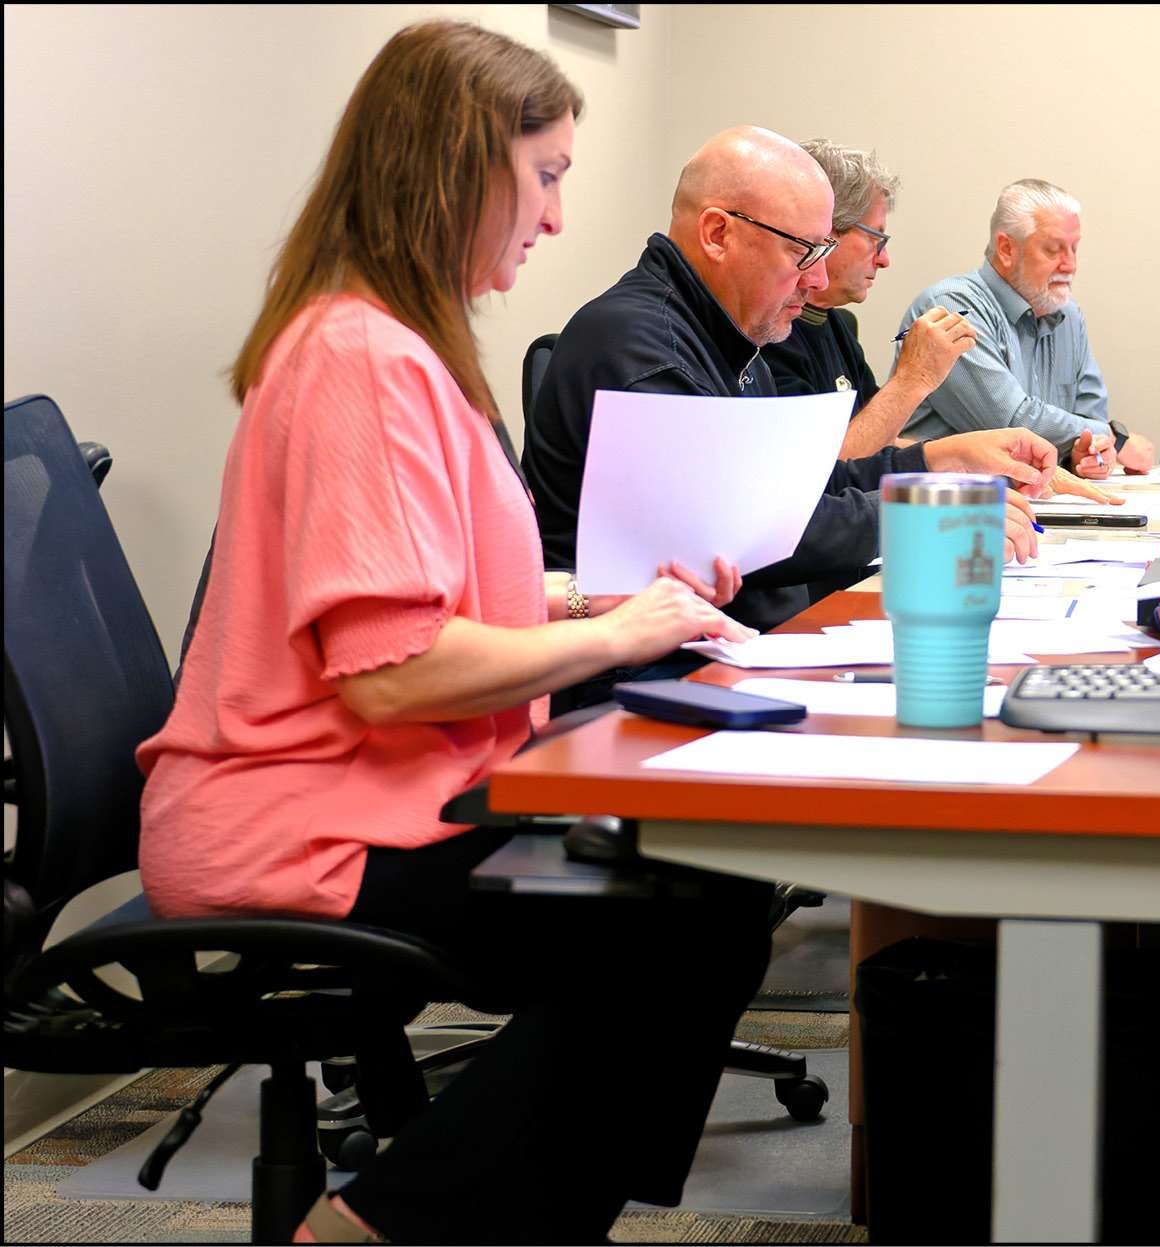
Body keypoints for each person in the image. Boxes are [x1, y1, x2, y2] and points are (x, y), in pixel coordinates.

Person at [135, 23, 773, 1244]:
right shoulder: (361, 358)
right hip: (299, 827)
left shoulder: (390, 343)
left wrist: (596, 601)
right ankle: (382, 1228)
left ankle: (461, 1219)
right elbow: (395, 672)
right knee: (682, 919)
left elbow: (428, 590)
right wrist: (622, 635)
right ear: (457, 168)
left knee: (698, 898)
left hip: (363, 799)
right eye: (545, 176)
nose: (554, 216)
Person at [527, 127, 1117, 706]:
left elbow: (794, 489)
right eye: (802, 252)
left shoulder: (726, 332)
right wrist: (927, 515)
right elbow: (754, 533)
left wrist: (937, 464)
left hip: (724, 651)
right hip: (645, 685)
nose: (816, 279)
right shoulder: (644, 346)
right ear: (717, 234)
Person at [898, 178, 1159, 480]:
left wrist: (1087, 452)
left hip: (1033, 497)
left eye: (1074, 249)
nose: (1070, 265)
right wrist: (1114, 437)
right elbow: (1010, 423)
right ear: (1006, 249)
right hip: (941, 501)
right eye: (1053, 250)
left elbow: (1089, 420)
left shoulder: (1069, 316)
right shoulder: (952, 307)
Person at [761, 139, 975, 459]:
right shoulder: (769, 330)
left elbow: (877, 440)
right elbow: (819, 469)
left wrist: (970, 456)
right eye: (876, 239)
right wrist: (913, 378)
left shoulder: (838, 323)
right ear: (825, 230)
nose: (884, 259)